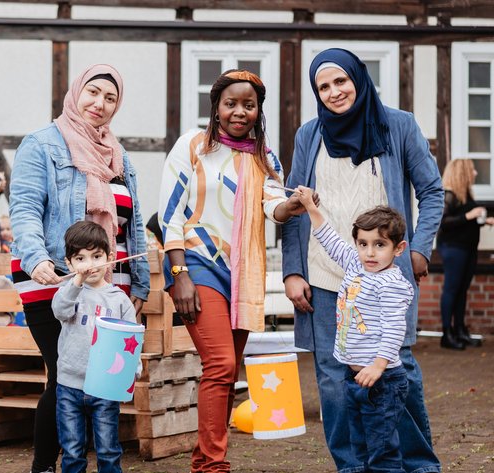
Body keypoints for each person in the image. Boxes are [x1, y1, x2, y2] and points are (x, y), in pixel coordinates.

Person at [281, 48, 443, 473]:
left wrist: (421, 248)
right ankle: (353, 466)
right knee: (335, 379)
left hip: (384, 273)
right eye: (323, 86)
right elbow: (294, 204)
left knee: (395, 369)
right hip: (325, 275)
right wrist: (294, 271)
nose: (334, 92)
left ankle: (418, 465)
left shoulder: (399, 125)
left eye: (341, 81)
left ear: (358, 78)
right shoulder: (309, 134)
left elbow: (431, 191)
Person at [158, 69, 311, 472]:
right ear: (216, 108)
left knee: (225, 372)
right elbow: (169, 217)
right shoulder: (192, 146)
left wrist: (293, 205)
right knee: (222, 364)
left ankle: (201, 460)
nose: (239, 112)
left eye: (249, 105)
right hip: (195, 265)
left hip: (241, 273)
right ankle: (214, 466)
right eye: (231, 104)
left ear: (258, 111)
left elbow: (272, 206)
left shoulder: (263, 156)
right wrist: (179, 275)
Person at [9, 64, 150, 473]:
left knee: (99, 382)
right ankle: (44, 466)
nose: (99, 104)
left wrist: (136, 285)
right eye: (93, 92)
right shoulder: (42, 144)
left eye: (110, 98)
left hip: (109, 286)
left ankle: (86, 462)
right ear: (76, 92)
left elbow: (130, 226)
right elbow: (25, 209)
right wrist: (36, 259)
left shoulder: (119, 155)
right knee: (64, 376)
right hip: (54, 279)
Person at [298, 190, 414, 472]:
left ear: (398, 249)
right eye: (363, 243)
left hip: (382, 381)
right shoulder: (355, 264)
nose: (370, 252)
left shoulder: (390, 283)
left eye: (379, 244)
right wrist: (311, 208)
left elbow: (395, 328)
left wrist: (378, 365)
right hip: (355, 377)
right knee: (360, 444)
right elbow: (331, 241)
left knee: (383, 449)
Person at [52, 221, 137, 473]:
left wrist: (134, 367)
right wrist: (76, 282)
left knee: (108, 451)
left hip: (104, 387)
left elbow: (130, 340)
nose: (89, 264)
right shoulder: (68, 292)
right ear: (69, 264)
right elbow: (60, 311)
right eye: (80, 258)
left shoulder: (119, 300)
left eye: (96, 256)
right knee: (72, 449)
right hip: (69, 386)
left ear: (109, 258)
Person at [437, 159, 492, 349]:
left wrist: (485, 220)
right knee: (452, 290)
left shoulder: (465, 195)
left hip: (467, 248)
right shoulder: (449, 194)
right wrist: (470, 215)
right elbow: (443, 222)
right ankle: (447, 334)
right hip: (454, 249)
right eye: (472, 170)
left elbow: (463, 221)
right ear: (462, 172)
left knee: (462, 291)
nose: (475, 173)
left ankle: (460, 330)